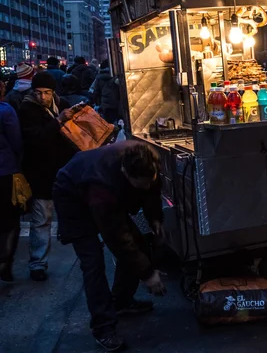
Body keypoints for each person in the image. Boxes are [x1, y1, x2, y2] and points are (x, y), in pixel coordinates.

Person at [53, 141, 167, 351]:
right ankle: (103, 327)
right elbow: (118, 238)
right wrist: (148, 273)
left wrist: (155, 219)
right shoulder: (102, 189)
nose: (147, 186)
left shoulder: (148, 162)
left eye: (148, 181)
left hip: (102, 188)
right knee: (93, 263)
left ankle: (122, 301)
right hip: (72, 197)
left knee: (138, 244)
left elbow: (151, 191)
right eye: (140, 184)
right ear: (126, 173)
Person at [18, 72, 77, 281]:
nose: (42, 97)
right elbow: (36, 139)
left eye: (47, 93)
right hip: (40, 173)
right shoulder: (27, 109)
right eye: (38, 93)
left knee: (73, 215)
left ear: (53, 92)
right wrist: (59, 121)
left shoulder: (62, 105)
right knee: (41, 219)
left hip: (64, 171)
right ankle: (38, 264)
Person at [0, 93, 23, 282]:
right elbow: (16, 141)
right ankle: (5, 261)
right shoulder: (5, 111)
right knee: (10, 218)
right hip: (5, 171)